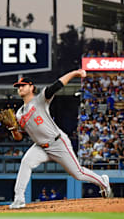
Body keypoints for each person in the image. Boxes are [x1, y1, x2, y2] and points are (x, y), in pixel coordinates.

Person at [7, 70, 112, 209]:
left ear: (31, 87)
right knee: (26, 162)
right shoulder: (19, 114)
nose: (20, 88)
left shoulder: (40, 99)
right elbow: (19, 138)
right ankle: (19, 199)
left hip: (57, 142)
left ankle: (102, 181)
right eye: (18, 86)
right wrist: (13, 129)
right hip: (40, 147)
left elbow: (57, 85)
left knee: (78, 174)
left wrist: (75, 73)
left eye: (23, 85)